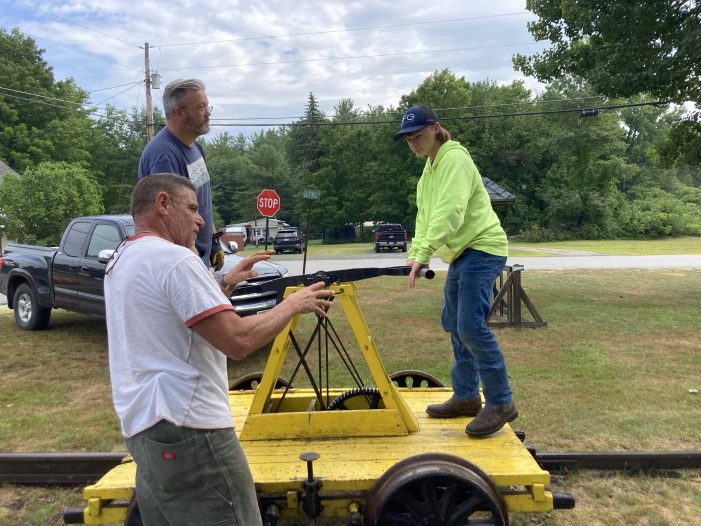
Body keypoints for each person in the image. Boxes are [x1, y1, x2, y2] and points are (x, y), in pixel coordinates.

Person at [105, 174, 334, 525]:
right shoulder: (176, 260)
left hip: (145, 428)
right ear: (163, 204)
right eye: (193, 208)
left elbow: (173, 320)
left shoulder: (122, 259)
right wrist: (294, 303)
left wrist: (224, 283)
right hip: (192, 429)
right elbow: (237, 340)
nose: (201, 220)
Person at [394, 105, 517, 437]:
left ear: (436, 128)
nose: (413, 144)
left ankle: (501, 402)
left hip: (484, 247)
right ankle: (465, 397)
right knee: (453, 322)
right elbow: (425, 218)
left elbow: (450, 212)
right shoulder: (429, 170)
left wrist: (426, 251)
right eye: (408, 140)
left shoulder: (454, 159)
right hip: (462, 253)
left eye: (418, 136)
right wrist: (415, 254)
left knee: (470, 325)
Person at [138, 78, 224, 270]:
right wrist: (195, 264)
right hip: (179, 262)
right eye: (201, 108)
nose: (208, 114)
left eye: (208, 107)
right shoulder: (164, 156)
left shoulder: (195, 148)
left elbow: (201, 201)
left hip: (195, 255)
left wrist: (213, 239)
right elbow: (171, 219)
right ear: (179, 112)